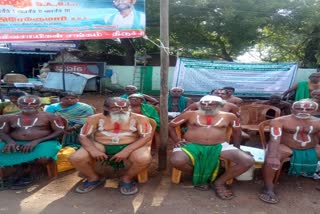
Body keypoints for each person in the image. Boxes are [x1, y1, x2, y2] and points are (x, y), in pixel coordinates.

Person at [169, 95, 254, 200]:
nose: (206, 106)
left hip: (220, 145)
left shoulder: (230, 116)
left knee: (247, 161)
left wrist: (237, 148)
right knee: (176, 161)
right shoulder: (189, 114)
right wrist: (177, 140)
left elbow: (237, 132)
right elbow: (171, 125)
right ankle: (201, 176)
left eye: (211, 104)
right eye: (203, 104)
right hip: (190, 144)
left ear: (220, 105)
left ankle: (219, 182)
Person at [69, 97, 153, 195]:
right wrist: (93, 150)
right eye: (115, 108)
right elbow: (83, 136)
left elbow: (146, 136)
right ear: (106, 108)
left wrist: (127, 151)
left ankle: (127, 179)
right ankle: (93, 178)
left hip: (131, 144)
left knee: (143, 159)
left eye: (125, 108)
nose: (121, 111)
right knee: (76, 158)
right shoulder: (94, 118)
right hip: (101, 144)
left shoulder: (140, 118)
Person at [259, 99, 320, 204]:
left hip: (311, 147)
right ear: (292, 109)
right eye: (299, 108)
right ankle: (268, 187)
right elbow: (275, 139)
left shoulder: (318, 122)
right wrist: (272, 156)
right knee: (273, 156)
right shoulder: (279, 121)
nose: (304, 111)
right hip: (285, 146)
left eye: (308, 109)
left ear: (315, 111)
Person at [0, 95, 64, 189]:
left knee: (43, 158)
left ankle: (34, 172)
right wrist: (10, 141)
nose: (29, 105)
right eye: (25, 103)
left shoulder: (50, 116)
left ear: (39, 105)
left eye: (33, 103)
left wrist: (36, 141)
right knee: (4, 149)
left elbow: (60, 131)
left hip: (45, 142)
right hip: (15, 142)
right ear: (18, 105)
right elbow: (2, 132)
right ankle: (19, 171)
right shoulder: (7, 117)